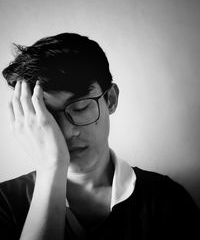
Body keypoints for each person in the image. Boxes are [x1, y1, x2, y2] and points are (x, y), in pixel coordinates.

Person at [0, 33, 199, 240]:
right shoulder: (5, 202)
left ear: (110, 99)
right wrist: (51, 167)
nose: (68, 132)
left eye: (80, 108)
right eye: (48, 116)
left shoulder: (168, 199)